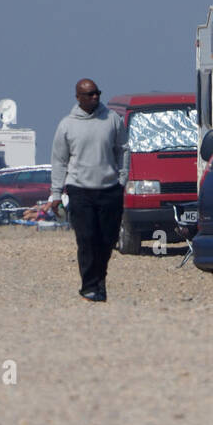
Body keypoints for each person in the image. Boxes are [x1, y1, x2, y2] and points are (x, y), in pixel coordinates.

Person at [44, 78, 127, 302]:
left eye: (97, 93)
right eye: (90, 94)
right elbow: (59, 161)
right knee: (87, 239)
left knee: (107, 240)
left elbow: (123, 150)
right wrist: (55, 194)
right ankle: (89, 286)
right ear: (78, 98)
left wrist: (122, 179)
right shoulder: (67, 125)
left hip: (110, 189)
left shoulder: (112, 119)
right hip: (80, 190)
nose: (95, 97)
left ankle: (100, 279)